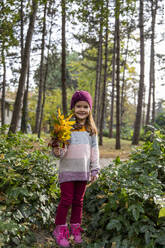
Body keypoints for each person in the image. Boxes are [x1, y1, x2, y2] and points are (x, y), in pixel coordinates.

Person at [52, 90, 100, 247]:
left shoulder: (91, 130)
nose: (82, 109)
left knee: (78, 202)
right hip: (68, 171)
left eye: (85, 106)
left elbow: (94, 152)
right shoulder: (66, 128)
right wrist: (58, 149)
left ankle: (75, 228)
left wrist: (95, 169)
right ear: (73, 107)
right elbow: (61, 152)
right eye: (78, 106)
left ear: (89, 109)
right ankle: (60, 230)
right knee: (66, 200)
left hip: (83, 172)